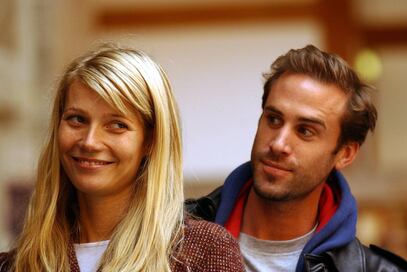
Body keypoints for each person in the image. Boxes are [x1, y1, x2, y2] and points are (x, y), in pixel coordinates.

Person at [0, 45, 245, 272]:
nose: (89, 142)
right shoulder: (14, 265)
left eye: (117, 125)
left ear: (151, 140)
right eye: (77, 119)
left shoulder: (205, 252)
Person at [187, 45, 407, 271]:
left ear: (345, 154)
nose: (278, 144)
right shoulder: (172, 239)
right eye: (274, 119)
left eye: (305, 131)